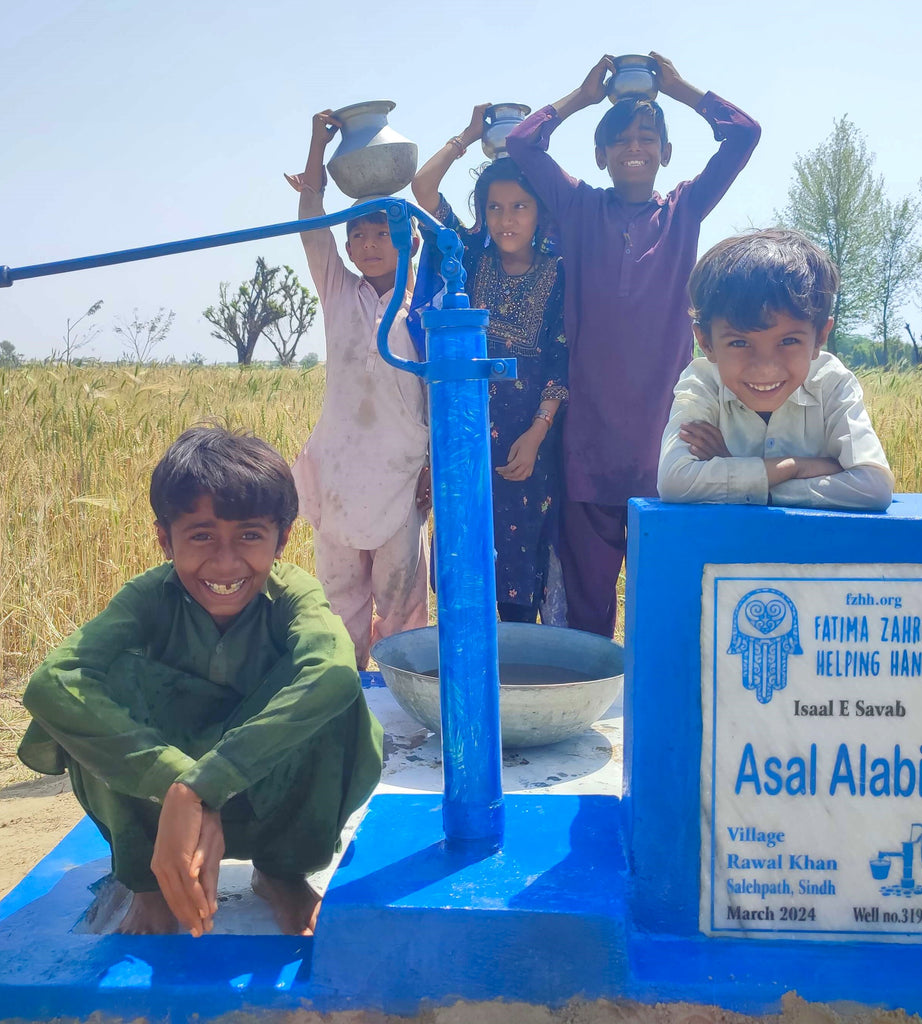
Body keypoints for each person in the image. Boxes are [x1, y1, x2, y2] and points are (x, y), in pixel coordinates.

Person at [18, 425, 384, 937]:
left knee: (332, 694)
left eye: (250, 535)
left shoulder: (295, 597)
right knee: (100, 688)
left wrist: (201, 786)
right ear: (164, 539)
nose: (226, 561)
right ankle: (151, 886)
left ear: (283, 539)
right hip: (161, 810)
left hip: (268, 795)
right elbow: (52, 680)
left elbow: (333, 670)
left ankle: (282, 875)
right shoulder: (147, 598)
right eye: (201, 535)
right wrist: (178, 783)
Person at [506, 53, 761, 637]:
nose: (634, 148)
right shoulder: (578, 207)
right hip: (588, 447)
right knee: (589, 611)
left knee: (663, 606)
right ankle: (591, 722)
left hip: (665, 448)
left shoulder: (685, 210)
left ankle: (650, 720)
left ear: (666, 154)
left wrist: (683, 90)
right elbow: (522, 146)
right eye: (620, 140)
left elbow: (744, 134)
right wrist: (579, 99)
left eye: (647, 137)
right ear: (601, 155)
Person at [286, 109, 431, 669]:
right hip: (341, 475)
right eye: (358, 234)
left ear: (410, 240)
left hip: (401, 477)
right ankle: (345, 705)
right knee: (338, 604)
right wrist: (317, 148)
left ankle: (404, 723)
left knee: (401, 612)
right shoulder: (337, 291)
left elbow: (439, 397)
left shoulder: (428, 302)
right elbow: (309, 224)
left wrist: (432, 465)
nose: (368, 244)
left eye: (383, 232)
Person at [412, 104, 568, 624]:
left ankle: (518, 691)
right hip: (466, 427)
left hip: (528, 437)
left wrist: (538, 431)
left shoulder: (559, 272)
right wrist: (468, 135)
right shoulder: (471, 255)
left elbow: (559, 358)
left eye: (520, 206)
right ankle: (466, 682)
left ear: (540, 212)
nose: (507, 219)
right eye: (495, 207)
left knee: (520, 578)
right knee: (464, 561)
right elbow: (424, 188)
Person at [657, 229, 894, 510]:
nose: (766, 367)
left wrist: (748, 479)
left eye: (789, 341)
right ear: (705, 342)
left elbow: (873, 487)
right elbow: (674, 481)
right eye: (739, 342)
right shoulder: (702, 383)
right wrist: (794, 467)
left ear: (820, 337)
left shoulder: (831, 382)